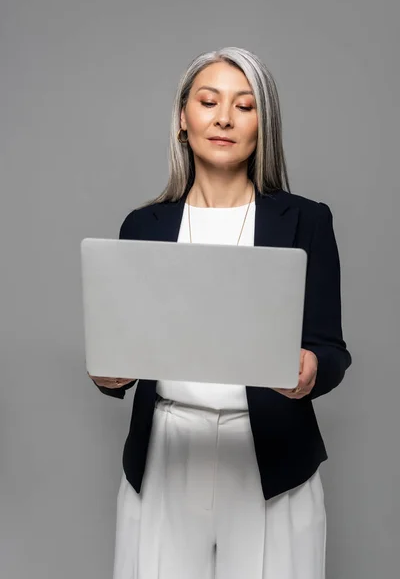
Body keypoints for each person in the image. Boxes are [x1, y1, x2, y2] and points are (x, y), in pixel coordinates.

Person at [89, 46, 352, 579]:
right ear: (184, 119)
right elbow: (119, 345)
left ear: (264, 125)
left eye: (245, 106)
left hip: (271, 457)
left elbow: (331, 348)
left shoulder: (306, 220)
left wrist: (311, 371)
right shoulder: (144, 225)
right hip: (167, 447)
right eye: (208, 102)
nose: (225, 118)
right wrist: (109, 374)